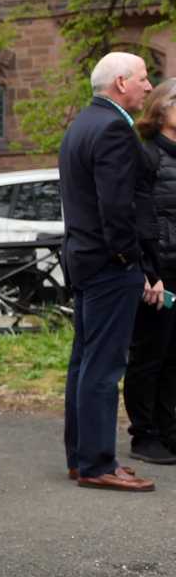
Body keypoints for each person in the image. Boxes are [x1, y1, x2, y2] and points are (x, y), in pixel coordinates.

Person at [61, 50, 160, 490]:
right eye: (143, 77)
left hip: (84, 259)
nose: (149, 85)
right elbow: (116, 206)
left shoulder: (84, 123)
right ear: (121, 82)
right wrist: (129, 260)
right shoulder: (114, 128)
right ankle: (99, 465)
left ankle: (82, 458)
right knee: (103, 366)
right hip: (107, 263)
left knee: (85, 363)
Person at [128, 80, 176, 462]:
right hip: (159, 270)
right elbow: (137, 217)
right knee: (150, 354)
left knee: (173, 355)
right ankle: (144, 435)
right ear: (163, 110)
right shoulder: (146, 155)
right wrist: (146, 271)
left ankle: (168, 429)